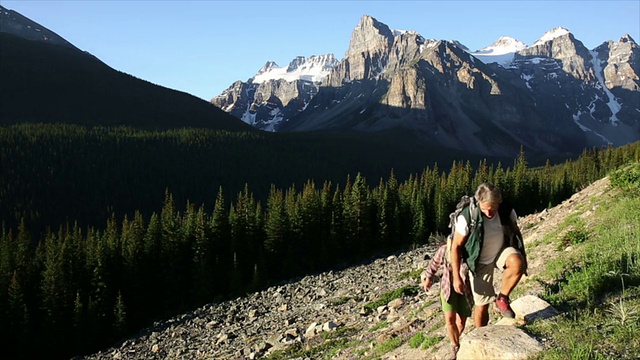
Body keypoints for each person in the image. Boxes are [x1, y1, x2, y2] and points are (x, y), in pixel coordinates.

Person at [450, 182, 527, 328]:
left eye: (493, 209)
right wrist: (456, 276)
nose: (490, 213)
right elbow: (455, 247)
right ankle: (482, 333)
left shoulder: (506, 210)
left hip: (500, 251)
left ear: (499, 202)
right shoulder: (467, 217)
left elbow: (516, 232)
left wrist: (523, 255)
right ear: (479, 202)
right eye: (486, 210)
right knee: (482, 304)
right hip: (478, 261)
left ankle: (502, 298)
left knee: (516, 262)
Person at [421, 238, 473, 360]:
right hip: (447, 288)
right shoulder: (444, 250)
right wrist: (428, 278)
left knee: (461, 322)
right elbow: (434, 263)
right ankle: (455, 346)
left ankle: (457, 339)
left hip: (465, 289)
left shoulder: (469, 249)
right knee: (450, 319)